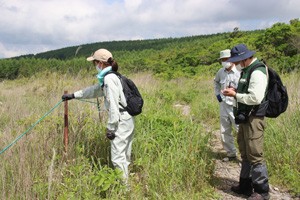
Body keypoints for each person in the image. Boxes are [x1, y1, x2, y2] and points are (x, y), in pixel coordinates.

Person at [62, 49, 135, 184]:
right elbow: (95, 90)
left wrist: (111, 128)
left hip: (120, 121)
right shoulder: (113, 76)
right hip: (127, 118)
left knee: (118, 158)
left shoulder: (109, 79)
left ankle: (124, 190)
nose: (94, 65)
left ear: (100, 63)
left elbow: (113, 105)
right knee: (125, 155)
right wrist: (73, 95)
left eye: (94, 62)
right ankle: (127, 183)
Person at [222, 44, 270, 200]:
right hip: (244, 117)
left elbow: (255, 98)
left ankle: (262, 191)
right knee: (245, 152)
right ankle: (245, 185)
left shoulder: (257, 71)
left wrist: (235, 95)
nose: (235, 64)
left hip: (254, 118)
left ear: (245, 58)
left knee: (255, 153)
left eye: (237, 61)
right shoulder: (246, 71)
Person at [214, 49, 240, 162]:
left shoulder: (240, 72)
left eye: (226, 59)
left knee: (240, 130)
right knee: (224, 130)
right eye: (222, 60)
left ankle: (245, 157)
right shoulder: (220, 72)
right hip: (224, 104)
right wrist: (218, 96)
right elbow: (216, 82)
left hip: (236, 105)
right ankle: (231, 154)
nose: (224, 62)